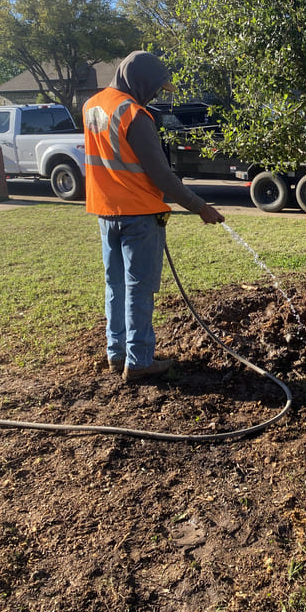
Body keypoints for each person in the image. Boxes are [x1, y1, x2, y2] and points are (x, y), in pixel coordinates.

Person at [83, 50, 224, 382]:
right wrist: (200, 207)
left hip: (106, 212)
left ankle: (116, 354)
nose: (157, 94)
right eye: (156, 87)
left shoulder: (92, 106)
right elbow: (162, 176)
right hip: (138, 216)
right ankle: (140, 360)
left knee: (115, 285)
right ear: (141, 81)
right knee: (139, 287)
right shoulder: (134, 114)